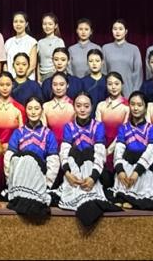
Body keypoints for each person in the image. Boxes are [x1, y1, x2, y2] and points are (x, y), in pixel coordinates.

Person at [56, 93, 120, 227]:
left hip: (93, 169)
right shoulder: (69, 126)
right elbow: (64, 151)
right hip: (74, 170)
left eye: (86, 106)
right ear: (74, 107)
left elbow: (100, 153)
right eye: (78, 106)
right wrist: (67, 174)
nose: (82, 109)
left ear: (92, 107)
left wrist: (93, 178)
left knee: (89, 152)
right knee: (73, 153)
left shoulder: (98, 126)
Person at [3, 97, 60, 218]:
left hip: (39, 178)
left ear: (41, 110)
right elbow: (9, 158)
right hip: (21, 177)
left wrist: (47, 184)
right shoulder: (18, 132)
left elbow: (53, 160)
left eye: (36, 108)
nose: (33, 112)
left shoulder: (48, 134)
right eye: (30, 108)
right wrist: (10, 180)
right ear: (26, 111)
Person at [109, 92, 153, 210]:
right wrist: (120, 170)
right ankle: (124, 195)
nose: (135, 108)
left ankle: (132, 198)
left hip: (144, 166)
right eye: (132, 104)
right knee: (124, 168)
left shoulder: (151, 128)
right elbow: (119, 149)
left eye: (139, 105)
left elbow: (151, 151)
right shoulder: (123, 127)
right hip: (127, 163)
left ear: (145, 108)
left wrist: (137, 171)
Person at [0, 72, 25, 192]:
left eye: (8, 84)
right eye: (1, 84)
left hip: (14, 148)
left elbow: (22, 135)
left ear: (12, 85)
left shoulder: (19, 108)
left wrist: (10, 146)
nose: (4, 88)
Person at [102, 19, 142, 97]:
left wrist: (135, 92)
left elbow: (138, 73)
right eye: (115, 29)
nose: (117, 32)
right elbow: (103, 71)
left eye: (120, 29)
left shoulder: (134, 49)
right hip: (111, 90)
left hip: (129, 90)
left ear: (126, 31)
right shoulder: (105, 48)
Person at [4, 12, 38, 80]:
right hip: (10, 82)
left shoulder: (32, 41)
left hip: (27, 80)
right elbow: (5, 64)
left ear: (26, 24)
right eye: (15, 21)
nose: (18, 24)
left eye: (21, 22)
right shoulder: (8, 42)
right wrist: (8, 79)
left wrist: (20, 80)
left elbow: (32, 66)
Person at [43, 74, 76, 142]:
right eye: (55, 84)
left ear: (67, 85)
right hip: (50, 144)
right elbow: (43, 132)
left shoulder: (74, 106)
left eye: (61, 84)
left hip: (70, 145)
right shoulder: (45, 106)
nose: (58, 88)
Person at [37, 13, 65, 82]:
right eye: (44, 24)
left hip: (55, 75)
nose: (47, 26)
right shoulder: (40, 42)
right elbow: (38, 62)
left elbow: (63, 60)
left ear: (55, 26)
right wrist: (38, 78)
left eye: (50, 24)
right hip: (43, 76)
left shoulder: (59, 41)